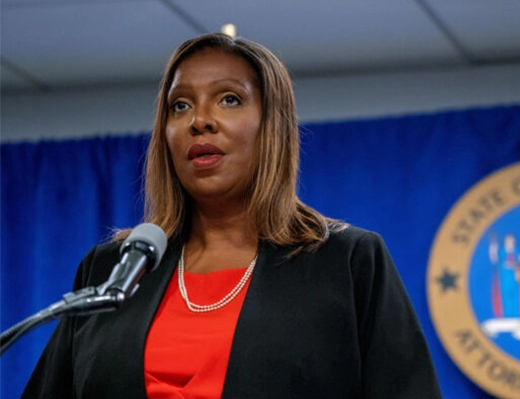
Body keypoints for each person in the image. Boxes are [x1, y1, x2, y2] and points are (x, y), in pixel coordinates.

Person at [22, 33, 443, 398]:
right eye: (180, 106)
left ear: (271, 125)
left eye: (229, 99)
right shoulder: (115, 269)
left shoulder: (347, 262)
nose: (200, 121)